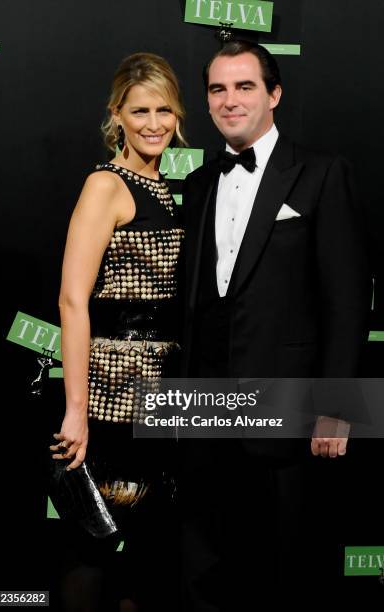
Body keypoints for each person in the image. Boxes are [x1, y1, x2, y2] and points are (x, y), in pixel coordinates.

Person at [179, 40, 370, 609]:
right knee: (210, 572)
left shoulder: (322, 173)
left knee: (286, 575)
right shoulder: (198, 184)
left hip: (288, 415)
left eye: (245, 86)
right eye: (218, 88)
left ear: (275, 94)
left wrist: (339, 407)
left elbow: (349, 299)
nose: (230, 100)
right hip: (204, 414)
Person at [49, 52, 185, 612]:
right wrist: (75, 408)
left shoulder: (162, 185)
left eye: (164, 110)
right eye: (139, 111)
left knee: (146, 550)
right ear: (117, 117)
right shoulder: (106, 184)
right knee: (96, 545)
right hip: (114, 391)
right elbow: (73, 300)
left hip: (163, 390)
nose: (153, 123)